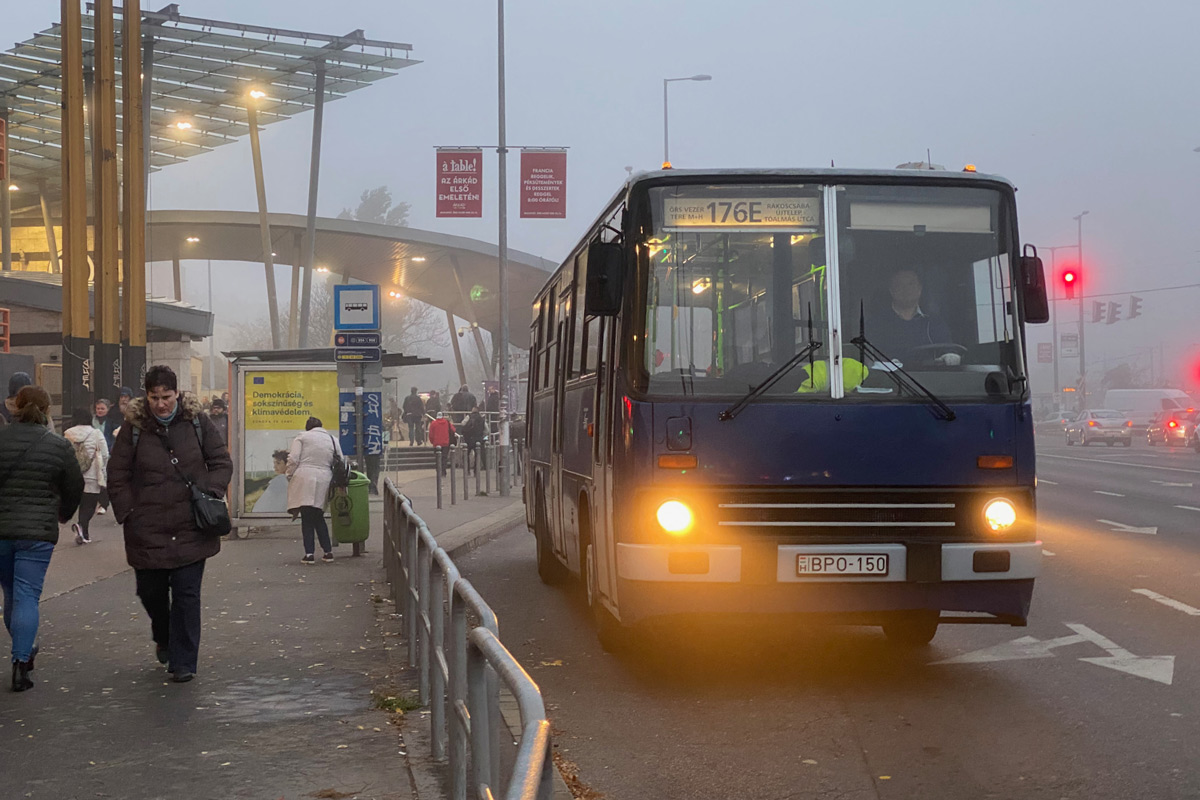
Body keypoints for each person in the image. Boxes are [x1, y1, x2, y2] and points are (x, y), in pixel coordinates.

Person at [107, 365, 232, 684]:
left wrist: (210, 492)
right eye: (154, 397)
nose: (161, 404)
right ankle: (163, 636)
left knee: (188, 595)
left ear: (177, 394)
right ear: (146, 396)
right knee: (151, 593)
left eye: (166, 396)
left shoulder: (197, 422)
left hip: (191, 525)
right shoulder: (133, 428)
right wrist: (128, 511)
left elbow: (220, 462)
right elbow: (117, 474)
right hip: (146, 528)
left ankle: (184, 661)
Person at [0, 385, 84, 691]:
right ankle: (21, 662)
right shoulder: (58, 445)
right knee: (27, 595)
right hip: (37, 534)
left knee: (10, 593)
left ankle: (24, 645)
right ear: (47, 410)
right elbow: (74, 485)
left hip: (2, 532)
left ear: (15, 407)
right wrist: (63, 513)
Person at [868, 269, 960, 366]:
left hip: (933, 378)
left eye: (911, 284)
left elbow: (948, 348)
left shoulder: (934, 322)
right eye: (899, 285)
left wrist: (950, 356)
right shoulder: (876, 323)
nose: (906, 289)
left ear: (920, 289)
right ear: (891, 290)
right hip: (892, 379)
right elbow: (872, 356)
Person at [286, 416, 343, 564]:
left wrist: (289, 474)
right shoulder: (332, 439)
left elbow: (293, 458)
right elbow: (340, 461)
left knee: (306, 516)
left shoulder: (302, 437)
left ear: (307, 427)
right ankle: (327, 551)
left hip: (305, 477)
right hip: (325, 477)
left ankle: (309, 553)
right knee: (318, 514)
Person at [64, 407, 109, 544]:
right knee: (88, 505)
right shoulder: (96, 433)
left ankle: (84, 533)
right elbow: (105, 454)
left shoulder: (68, 433)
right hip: (92, 475)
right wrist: (103, 469)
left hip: (74, 475)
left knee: (79, 503)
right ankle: (82, 526)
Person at [460, 406, 488, 471]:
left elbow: (462, 423)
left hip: (469, 439)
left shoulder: (469, 416)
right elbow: (487, 430)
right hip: (478, 439)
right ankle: (476, 470)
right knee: (477, 455)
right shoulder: (481, 418)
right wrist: (483, 436)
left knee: (466, 454)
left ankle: (467, 470)